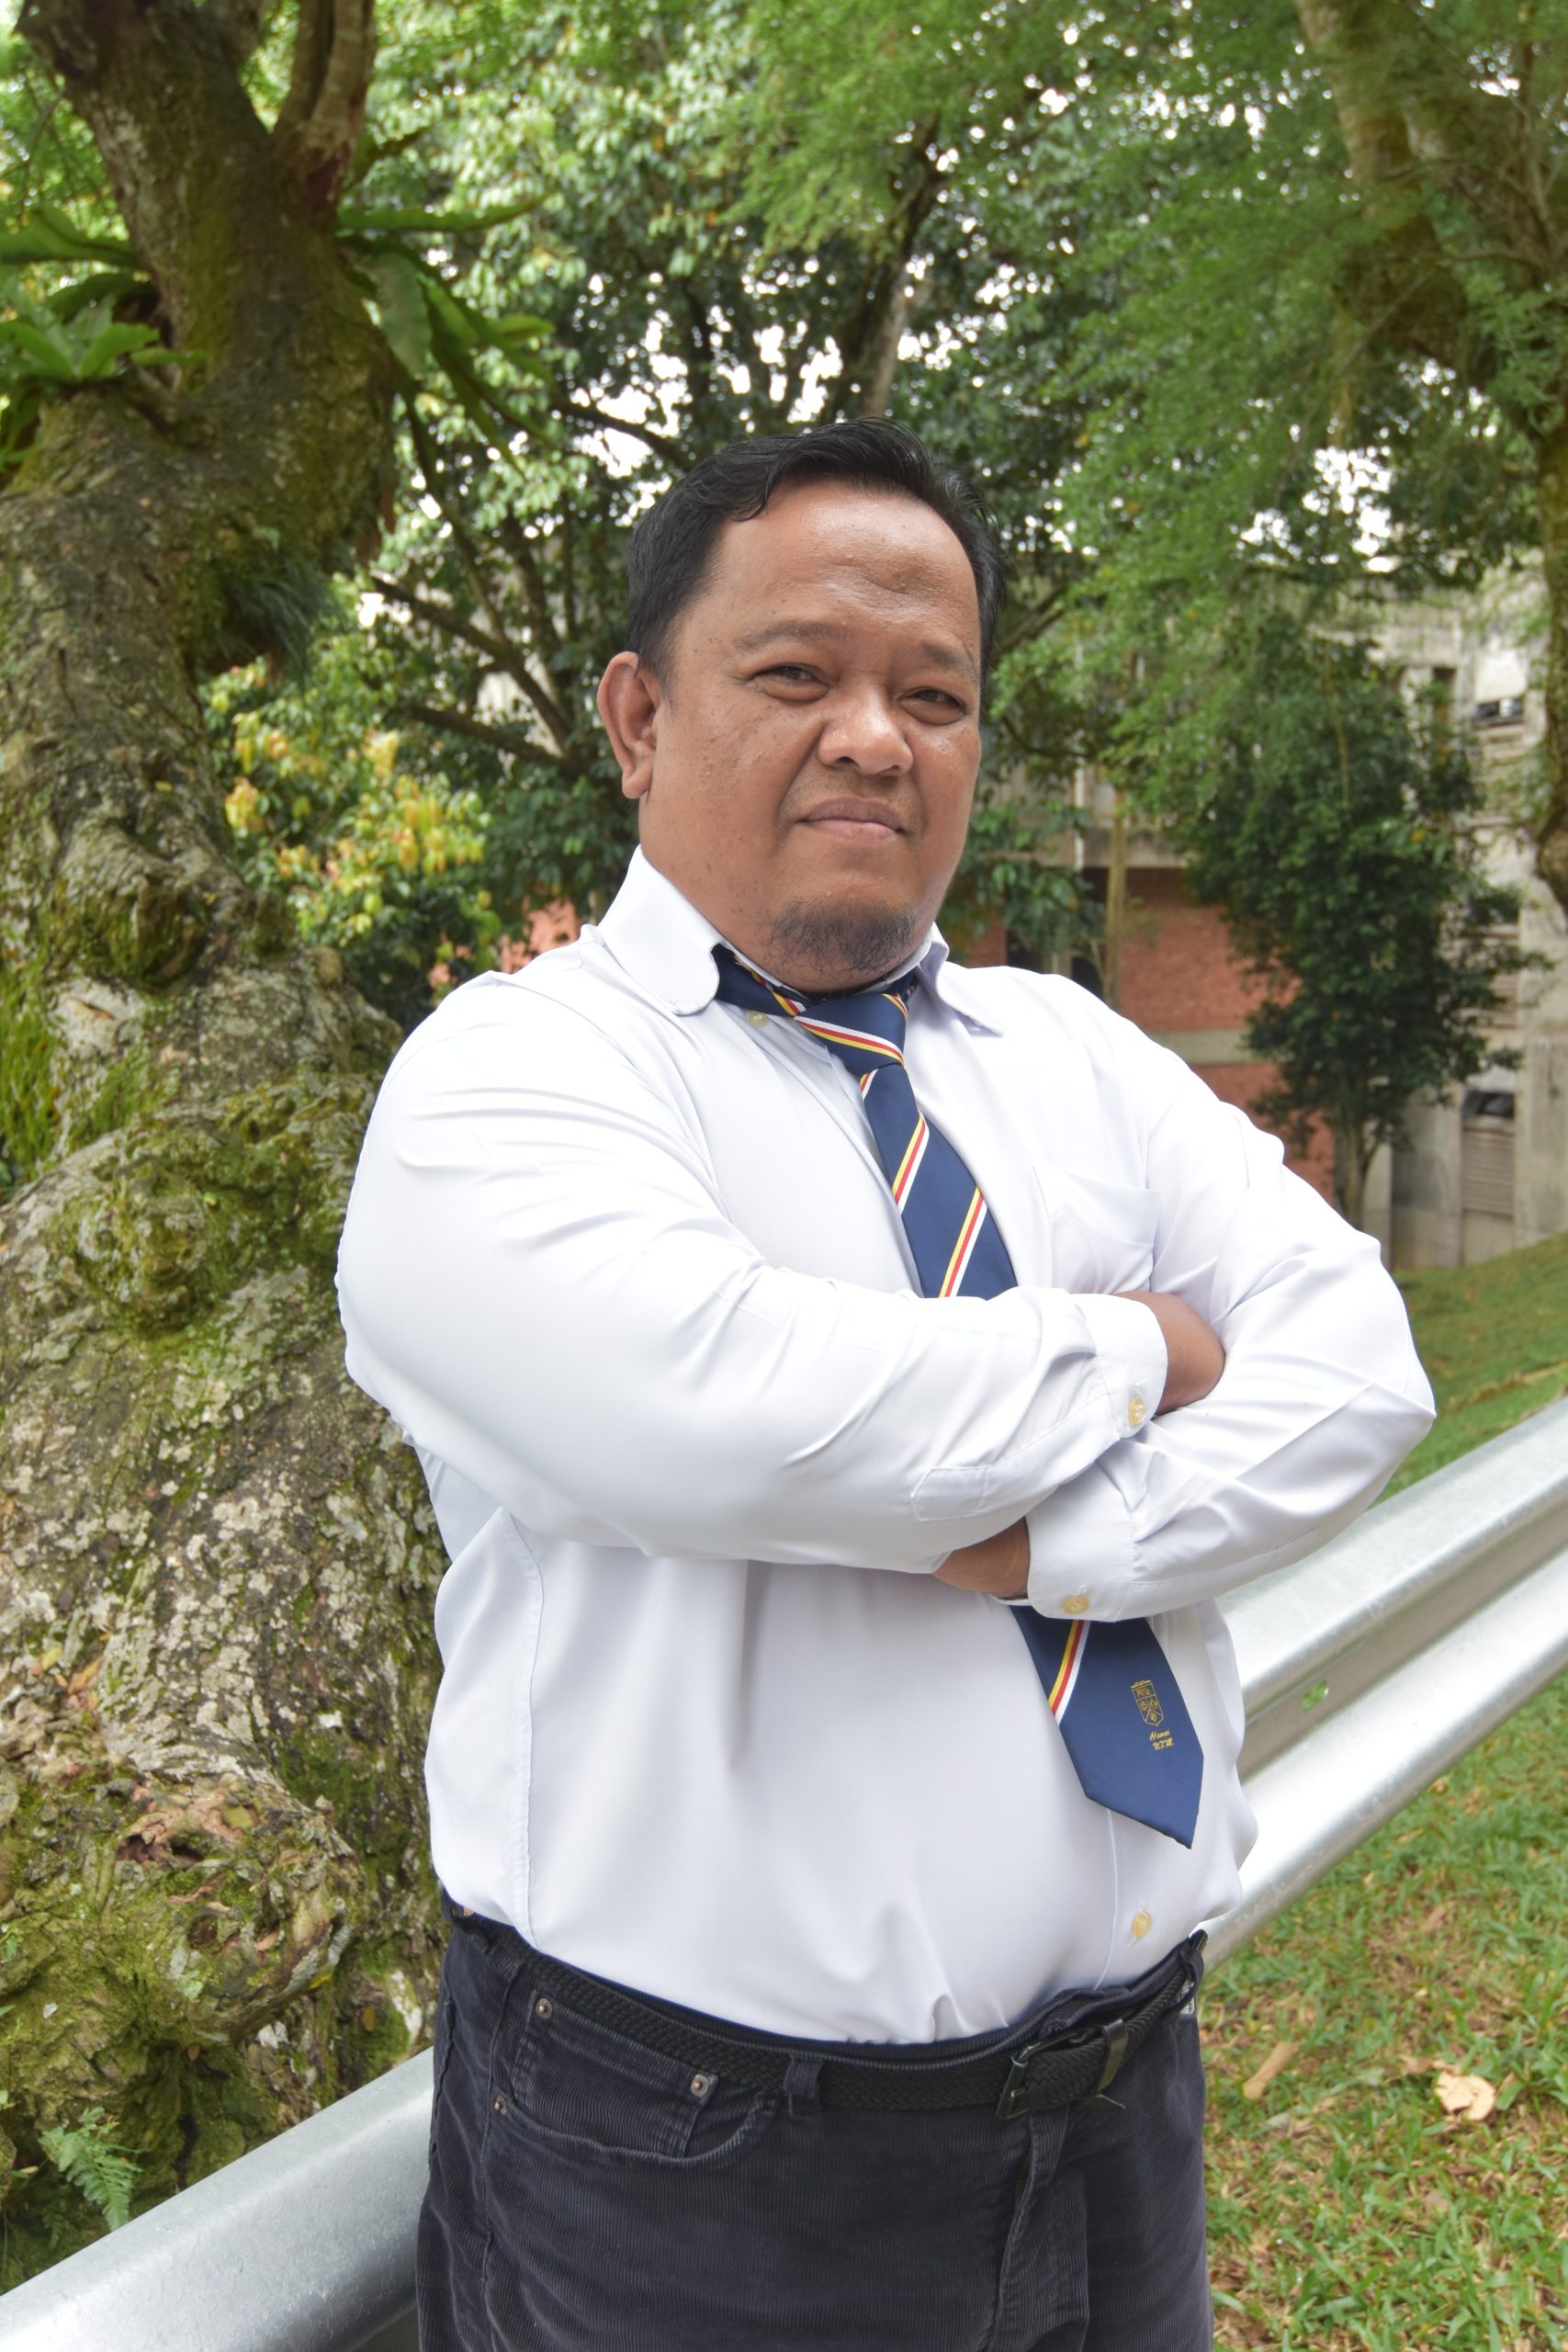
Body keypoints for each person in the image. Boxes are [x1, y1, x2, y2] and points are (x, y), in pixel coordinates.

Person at [336, 419, 1434, 2352]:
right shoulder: (511, 1077)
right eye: (796, 675)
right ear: (637, 718)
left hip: (1124, 2112)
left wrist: (1059, 1542)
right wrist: (1148, 1347)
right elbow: (727, 1415)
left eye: (934, 695)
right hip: (698, 2175)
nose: (875, 737)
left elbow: (1357, 1369)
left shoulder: (1067, 1049)